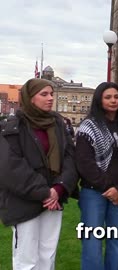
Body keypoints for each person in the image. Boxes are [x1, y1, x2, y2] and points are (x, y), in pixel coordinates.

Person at [0, 78, 78, 269]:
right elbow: (11, 167)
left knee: (47, 256)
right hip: (25, 201)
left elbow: (70, 158)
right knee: (26, 259)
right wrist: (45, 192)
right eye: (44, 94)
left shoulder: (58, 124)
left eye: (51, 94)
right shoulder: (13, 126)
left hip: (54, 200)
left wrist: (59, 188)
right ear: (30, 98)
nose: (50, 98)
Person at [75, 82, 118, 270]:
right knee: (92, 242)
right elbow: (84, 163)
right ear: (99, 100)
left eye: (116, 97)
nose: (113, 101)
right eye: (108, 97)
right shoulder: (88, 127)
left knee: (117, 241)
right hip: (93, 192)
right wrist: (108, 188)